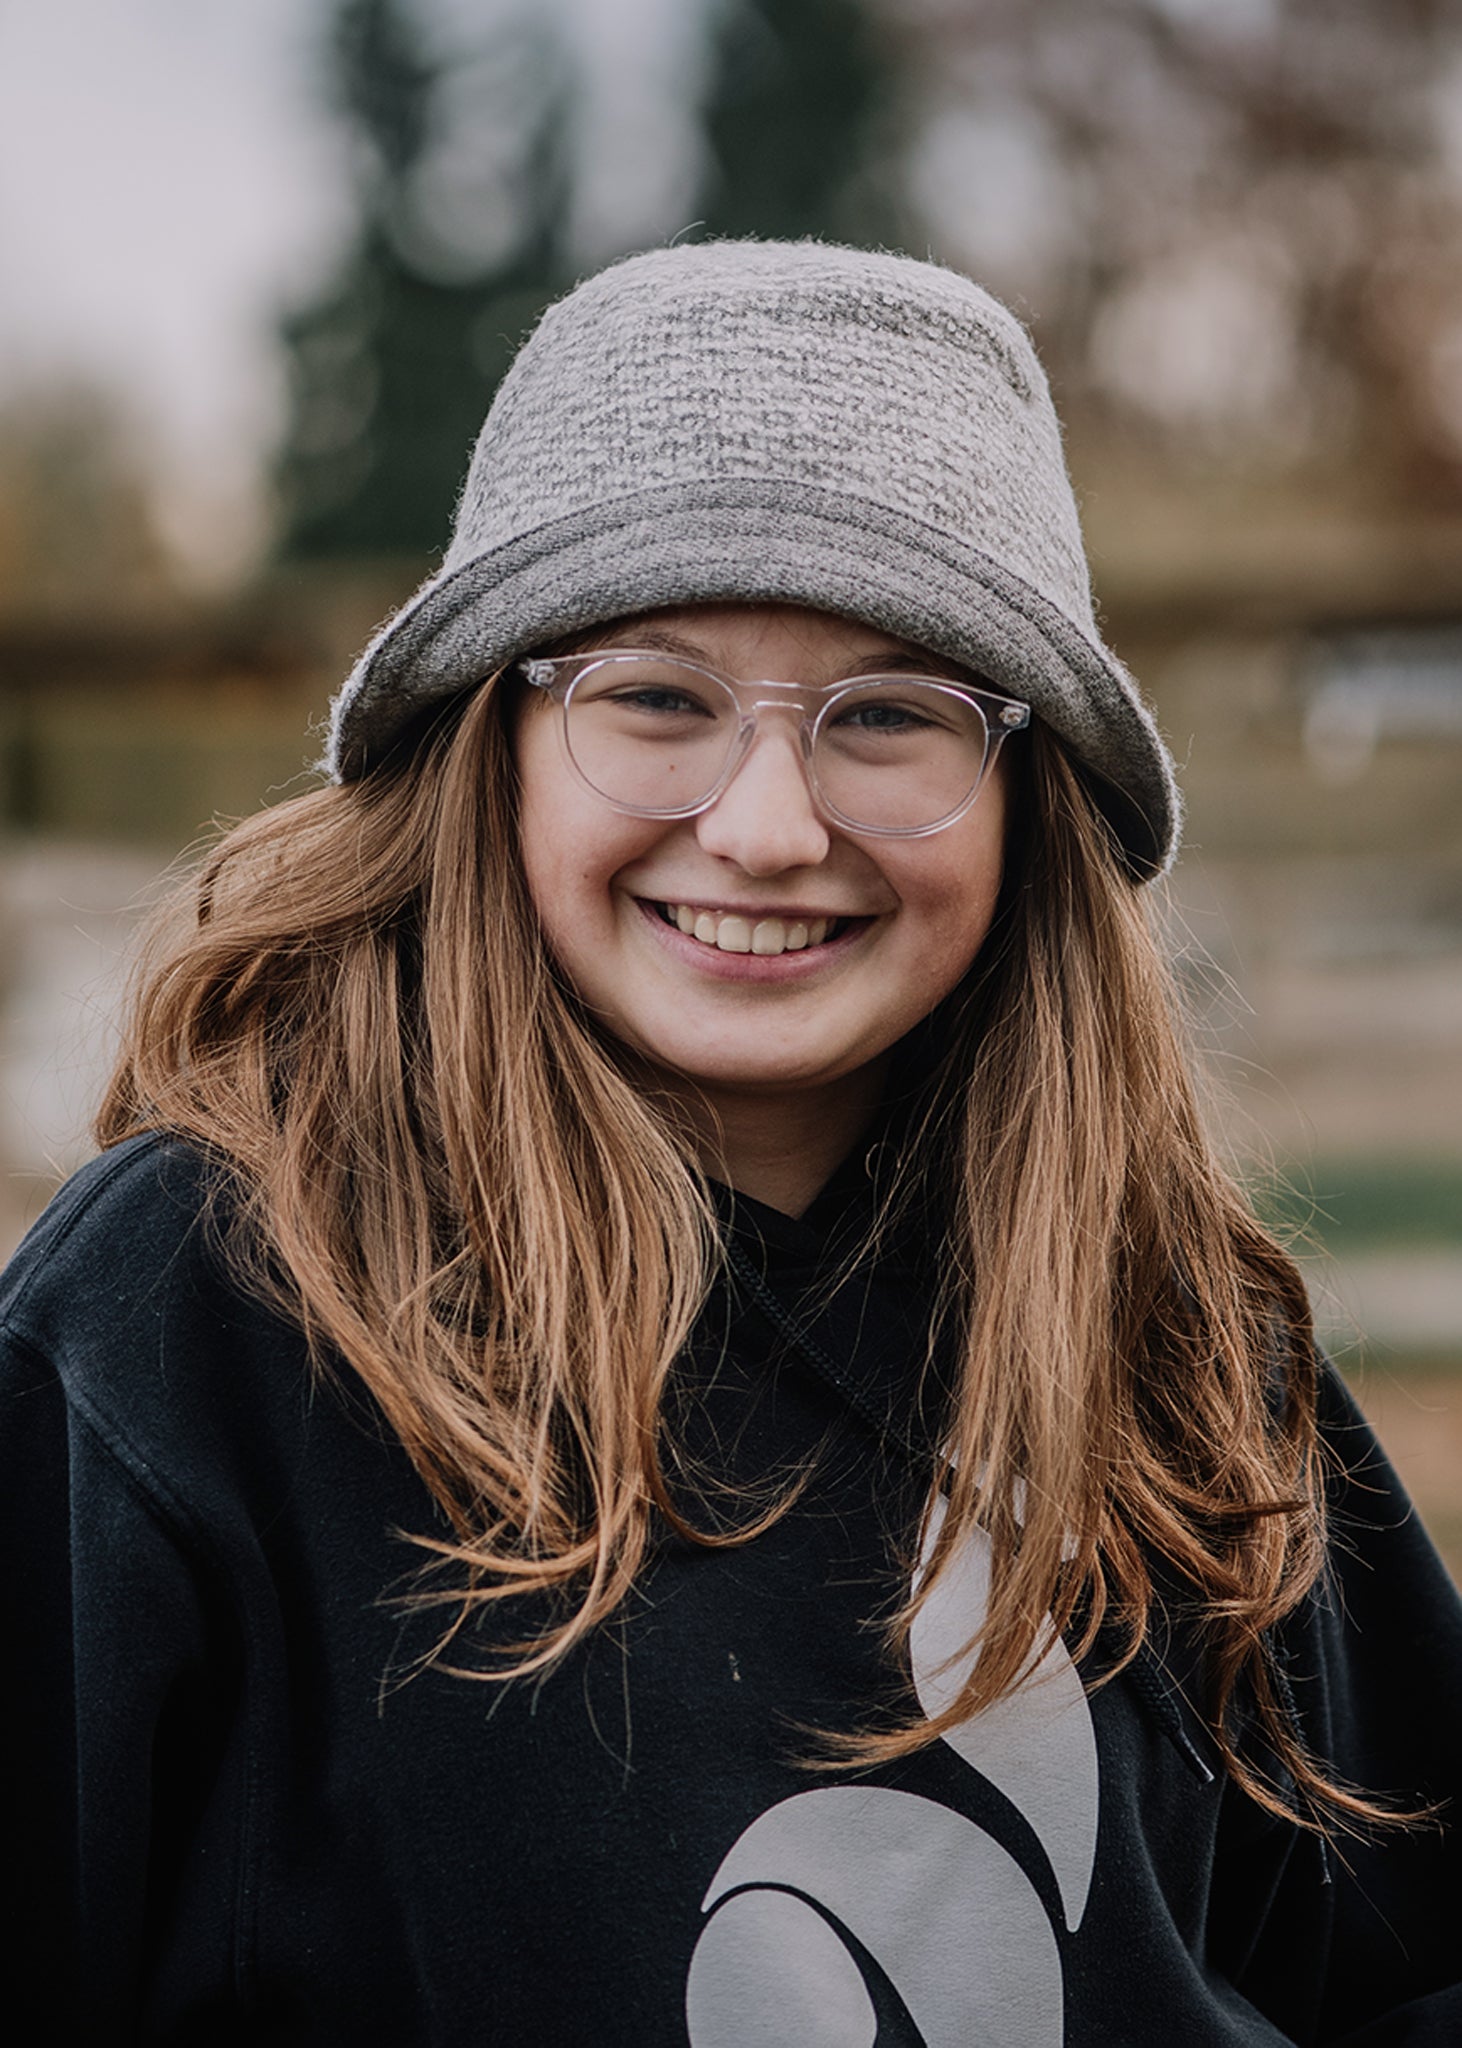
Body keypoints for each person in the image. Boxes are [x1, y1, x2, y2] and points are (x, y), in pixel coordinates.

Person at [3, 240, 1459, 2046]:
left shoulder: (1177, 1350)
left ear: (1031, 802)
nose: (767, 826)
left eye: (891, 716)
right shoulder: (184, 1328)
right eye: (653, 698)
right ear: (493, 746)